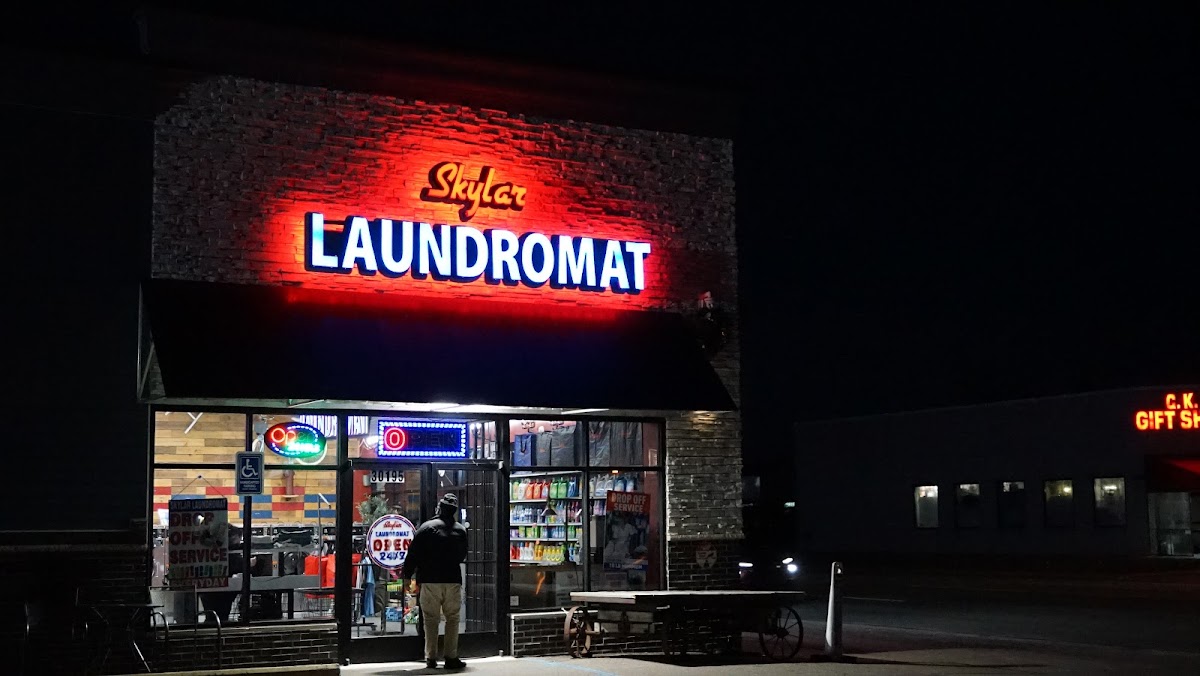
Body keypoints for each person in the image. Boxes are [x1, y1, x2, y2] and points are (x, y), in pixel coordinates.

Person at [402, 493, 468, 670]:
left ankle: (431, 657)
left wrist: (407, 576)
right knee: (452, 618)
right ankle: (451, 657)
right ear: (453, 511)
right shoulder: (461, 530)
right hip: (452, 580)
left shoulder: (426, 528)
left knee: (430, 619)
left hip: (430, 580)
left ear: (439, 508)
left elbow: (413, 554)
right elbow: (462, 555)